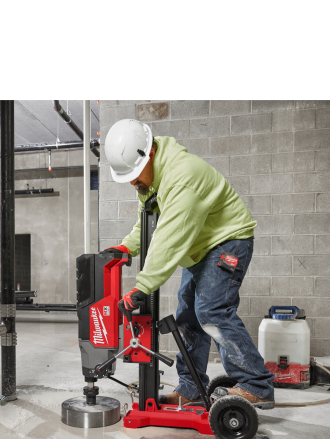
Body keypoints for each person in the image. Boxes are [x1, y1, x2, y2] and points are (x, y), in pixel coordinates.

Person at [103, 119, 275, 408]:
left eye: (134, 173)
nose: (132, 182)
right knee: (188, 317)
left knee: (212, 310)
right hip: (199, 248)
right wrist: (126, 247)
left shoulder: (182, 177)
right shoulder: (152, 182)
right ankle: (191, 388)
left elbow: (169, 238)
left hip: (227, 241)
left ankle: (256, 384)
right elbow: (147, 223)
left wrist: (143, 286)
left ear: (150, 153)